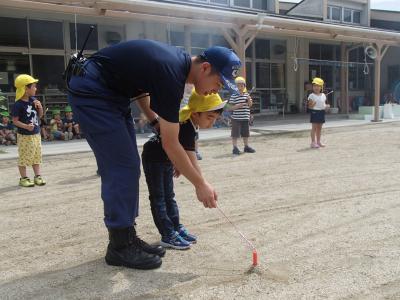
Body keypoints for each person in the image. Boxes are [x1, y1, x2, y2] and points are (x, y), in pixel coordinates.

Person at [66, 39, 241, 270]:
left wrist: (154, 121)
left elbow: (141, 88)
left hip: (110, 93)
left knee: (128, 166)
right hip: (94, 92)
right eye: (219, 83)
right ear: (205, 68)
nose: (215, 91)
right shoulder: (172, 75)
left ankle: (127, 237)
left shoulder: (175, 63)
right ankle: (119, 246)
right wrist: (200, 184)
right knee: (122, 167)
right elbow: (171, 144)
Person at [142, 91, 226, 250]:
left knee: (169, 196)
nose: (212, 123)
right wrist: (202, 184)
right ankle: (168, 234)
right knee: (159, 198)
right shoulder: (186, 125)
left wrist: (179, 164)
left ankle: (176, 227)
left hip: (166, 159)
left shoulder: (192, 125)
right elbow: (192, 159)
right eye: (209, 118)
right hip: (154, 158)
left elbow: (186, 152)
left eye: (215, 118)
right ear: (195, 114)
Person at [11, 74, 46, 187]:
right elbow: (15, 121)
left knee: (36, 155)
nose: (36, 88)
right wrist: (26, 126)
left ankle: (37, 176)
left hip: (36, 133)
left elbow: (40, 116)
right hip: (24, 135)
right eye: (34, 86)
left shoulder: (33, 100)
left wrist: (40, 107)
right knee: (24, 156)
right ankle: (23, 178)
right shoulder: (18, 105)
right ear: (26, 89)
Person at [228, 76, 255, 155]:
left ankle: (246, 147)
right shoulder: (233, 96)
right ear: (235, 87)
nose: (240, 87)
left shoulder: (247, 95)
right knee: (235, 134)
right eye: (238, 85)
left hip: (245, 117)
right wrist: (238, 106)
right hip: (236, 118)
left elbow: (250, 105)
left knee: (246, 133)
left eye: (242, 85)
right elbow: (229, 108)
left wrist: (249, 100)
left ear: (244, 86)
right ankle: (235, 148)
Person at [308, 77, 330, 148]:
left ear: (321, 87)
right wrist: (313, 104)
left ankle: (318, 142)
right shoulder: (311, 95)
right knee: (314, 128)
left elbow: (323, 105)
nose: (316, 88)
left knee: (319, 128)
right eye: (314, 86)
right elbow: (310, 107)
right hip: (314, 112)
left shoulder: (323, 95)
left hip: (321, 112)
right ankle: (313, 142)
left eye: (318, 86)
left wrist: (327, 106)